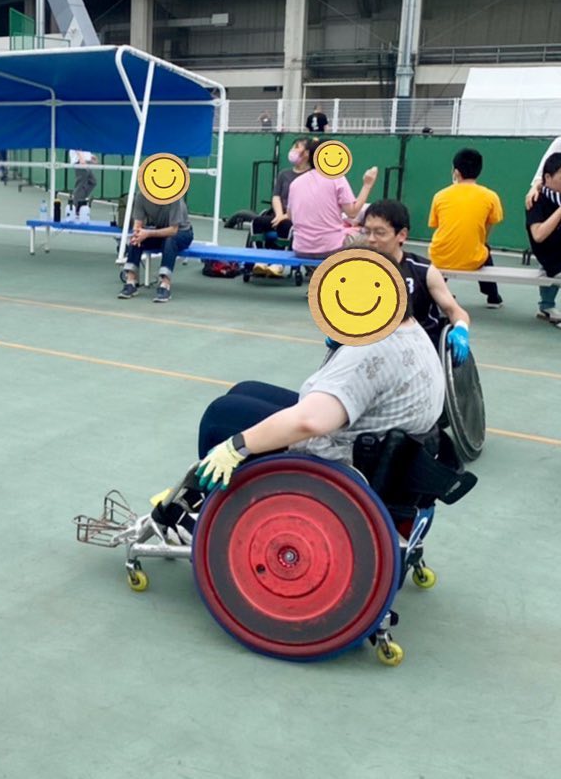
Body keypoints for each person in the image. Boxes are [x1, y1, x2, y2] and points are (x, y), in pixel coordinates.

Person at [152, 252, 444, 536]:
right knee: (244, 391)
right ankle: (207, 494)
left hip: (343, 458)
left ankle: (212, 507)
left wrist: (236, 446)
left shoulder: (370, 348)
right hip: (375, 444)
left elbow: (311, 423)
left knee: (222, 417)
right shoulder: (408, 326)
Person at [360, 199, 471, 361]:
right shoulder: (358, 270)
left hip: (420, 354)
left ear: (402, 235)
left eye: (379, 232)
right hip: (377, 352)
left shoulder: (424, 271)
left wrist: (461, 329)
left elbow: (455, 311)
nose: (371, 239)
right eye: (366, 231)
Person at [428, 148, 504, 309]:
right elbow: (489, 226)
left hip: (440, 257)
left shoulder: (440, 195)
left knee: (443, 253)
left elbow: (437, 225)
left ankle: (436, 292)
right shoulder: (490, 196)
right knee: (485, 250)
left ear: (456, 171)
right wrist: (481, 243)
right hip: (473, 259)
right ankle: (493, 297)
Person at [286, 141, 378, 257]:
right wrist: (367, 185)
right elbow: (353, 212)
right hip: (332, 249)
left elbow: (290, 216)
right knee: (371, 238)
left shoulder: (295, 183)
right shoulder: (336, 178)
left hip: (301, 250)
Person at [118, 180, 194, 305]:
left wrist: (147, 233)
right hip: (160, 230)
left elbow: (173, 230)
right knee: (136, 238)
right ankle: (131, 282)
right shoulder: (141, 196)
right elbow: (137, 225)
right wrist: (138, 234)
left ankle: (165, 284)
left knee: (169, 241)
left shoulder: (174, 197)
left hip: (182, 233)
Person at [249, 137, 313, 243]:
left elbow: (307, 203)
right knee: (258, 222)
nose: (292, 150)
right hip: (278, 215)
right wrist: (279, 215)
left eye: (296, 147)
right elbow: (276, 196)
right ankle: (257, 257)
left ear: (306, 153)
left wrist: (285, 217)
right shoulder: (283, 174)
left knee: (285, 226)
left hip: (297, 218)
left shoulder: (311, 176)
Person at [525, 151, 561, 326]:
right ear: (547, 176)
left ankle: (546, 306)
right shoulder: (536, 200)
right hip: (551, 256)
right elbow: (538, 235)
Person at [66, 149, 98, 223]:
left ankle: (80, 202)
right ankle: (75, 208)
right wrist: (81, 158)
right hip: (80, 162)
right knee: (80, 185)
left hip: (85, 162)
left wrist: (90, 156)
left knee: (92, 181)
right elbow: (77, 146)